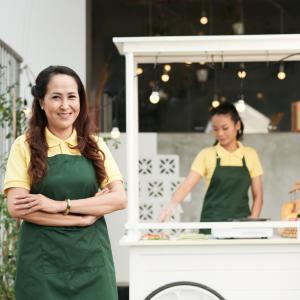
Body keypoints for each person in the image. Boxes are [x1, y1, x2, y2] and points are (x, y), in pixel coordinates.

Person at [3, 65, 127, 300]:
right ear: (41, 102)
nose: (65, 105)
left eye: (72, 96)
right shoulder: (25, 145)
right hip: (41, 268)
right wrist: (82, 219)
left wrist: (60, 205)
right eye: (56, 97)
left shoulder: (94, 145)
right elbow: (17, 207)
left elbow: (119, 198)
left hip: (93, 265)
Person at [160, 102, 263, 231]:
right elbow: (186, 186)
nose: (220, 133)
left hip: (241, 224)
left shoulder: (250, 155)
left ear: (237, 125)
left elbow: (258, 195)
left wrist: (252, 223)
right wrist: (171, 205)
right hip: (212, 224)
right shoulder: (206, 155)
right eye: (215, 129)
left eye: (225, 128)